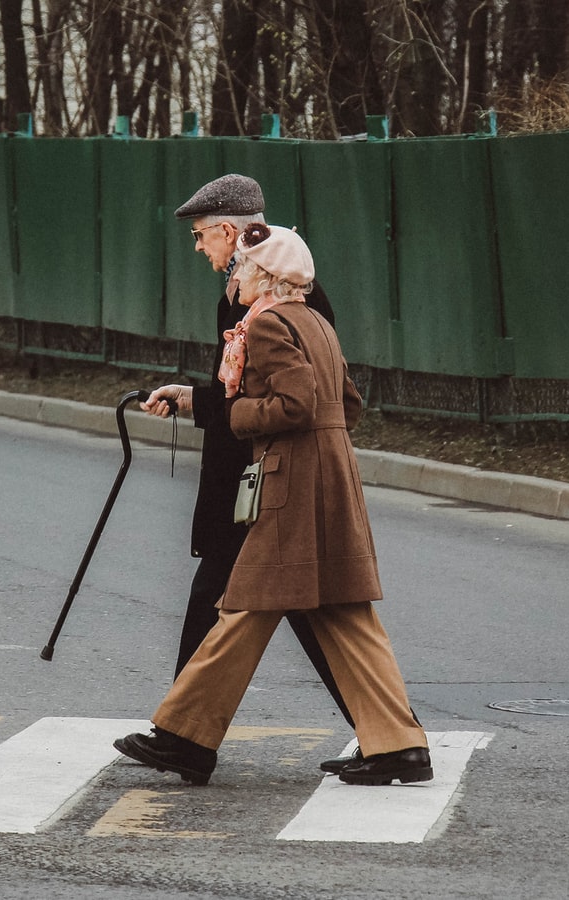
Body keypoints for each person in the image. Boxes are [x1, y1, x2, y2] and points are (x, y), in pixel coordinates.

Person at [117, 224, 432, 787]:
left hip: (290, 486)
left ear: (263, 274)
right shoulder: (313, 322)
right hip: (332, 477)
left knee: (243, 608)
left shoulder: (265, 324)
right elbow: (347, 403)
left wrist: (239, 420)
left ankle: (186, 737)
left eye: (240, 267)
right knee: (345, 612)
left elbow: (295, 403)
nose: (232, 276)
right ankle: (401, 747)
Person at [140, 174, 359, 775]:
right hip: (256, 481)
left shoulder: (272, 305)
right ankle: (182, 738)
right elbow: (236, 392)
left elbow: (283, 401)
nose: (199, 247)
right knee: (274, 610)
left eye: (203, 235)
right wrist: (193, 397)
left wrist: (198, 402)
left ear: (231, 233)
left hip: (265, 485)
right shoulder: (256, 297)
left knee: (264, 609)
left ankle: (183, 737)